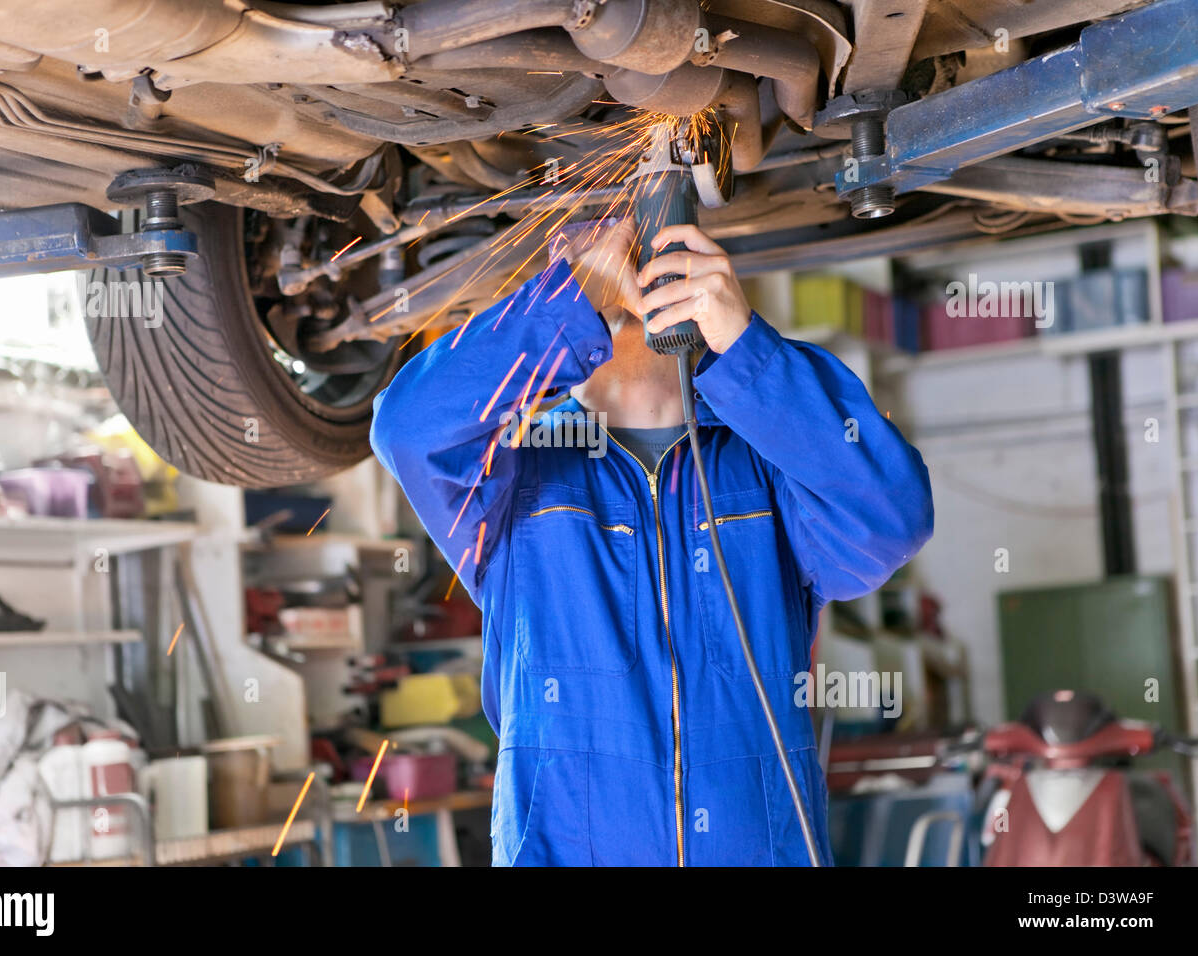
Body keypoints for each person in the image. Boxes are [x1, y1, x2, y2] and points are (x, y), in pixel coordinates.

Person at [371, 218, 933, 865]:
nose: (632, 281)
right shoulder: (512, 476)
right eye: (604, 264)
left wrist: (748, 351)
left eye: (649, 258)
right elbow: (406, 429)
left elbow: (893, 517)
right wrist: (570, 302)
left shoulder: (766, 467)